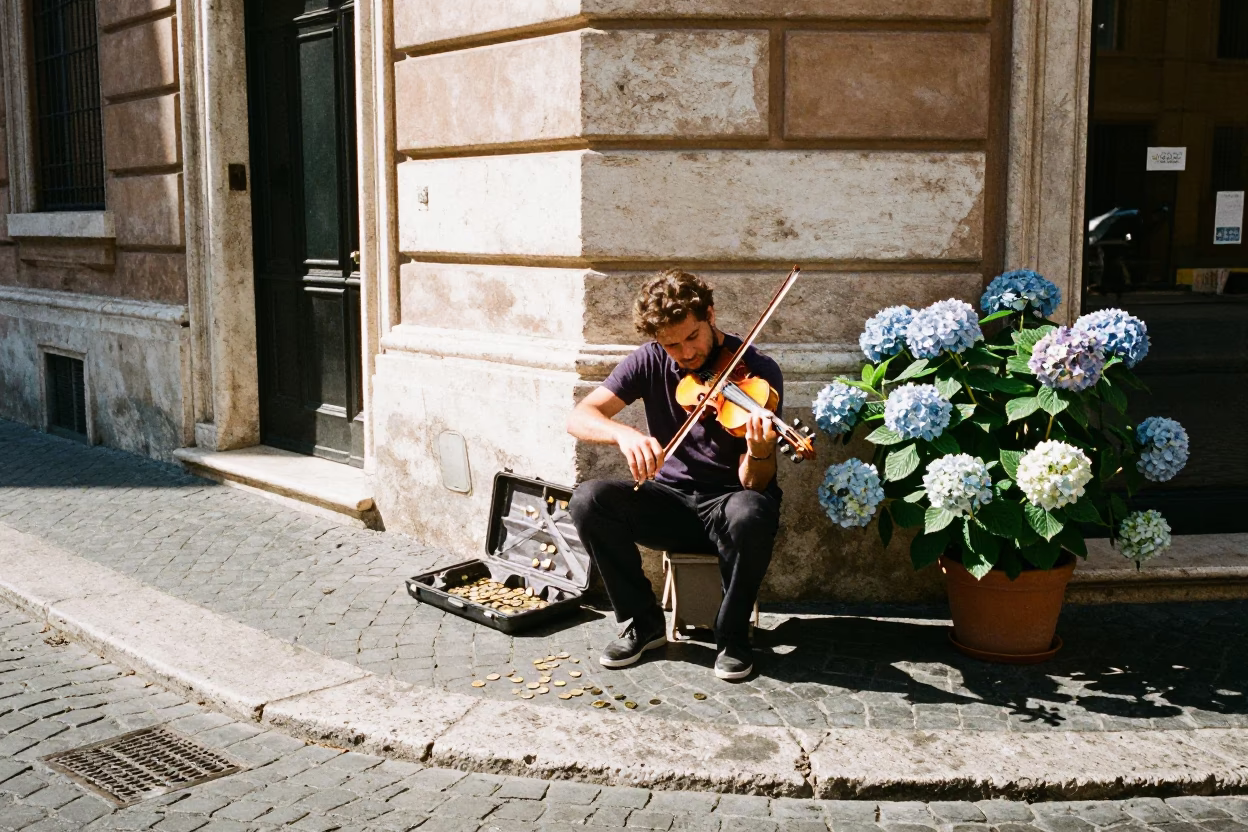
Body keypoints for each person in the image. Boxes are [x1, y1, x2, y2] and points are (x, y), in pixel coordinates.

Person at [566, 269, 783, 681]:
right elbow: (580, 416)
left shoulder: (756, 372)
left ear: (711, 316)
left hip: (729, 507)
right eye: (671, 344)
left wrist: (759, 450)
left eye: (692, 337)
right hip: (671, 504)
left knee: (751, 509)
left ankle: (733, 635)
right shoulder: (650, 359)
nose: (685, 353)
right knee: (588, 500)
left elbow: (754, 482)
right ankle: (643, 624)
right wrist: (624, 434)